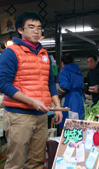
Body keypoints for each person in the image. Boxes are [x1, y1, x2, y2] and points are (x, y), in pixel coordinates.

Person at [0, 12, 63, 169]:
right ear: (21, 30)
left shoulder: (44, 54)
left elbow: (50, 83)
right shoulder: (11, 52)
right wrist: (32, 101)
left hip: (41, 116)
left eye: (39, 28)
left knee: (36, 162)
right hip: (19, 116)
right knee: (17, 162)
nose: (36, 31)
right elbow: (3, 84)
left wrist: (56, 106)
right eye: (31, 27)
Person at [58, 53, 85, 129]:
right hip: (80, 98)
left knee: (70, 122)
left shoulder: (64, 70)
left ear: (62, 62)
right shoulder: (78, 70)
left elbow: (64, 86)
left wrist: (56, 94)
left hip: (70, 98)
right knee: (79, 119)